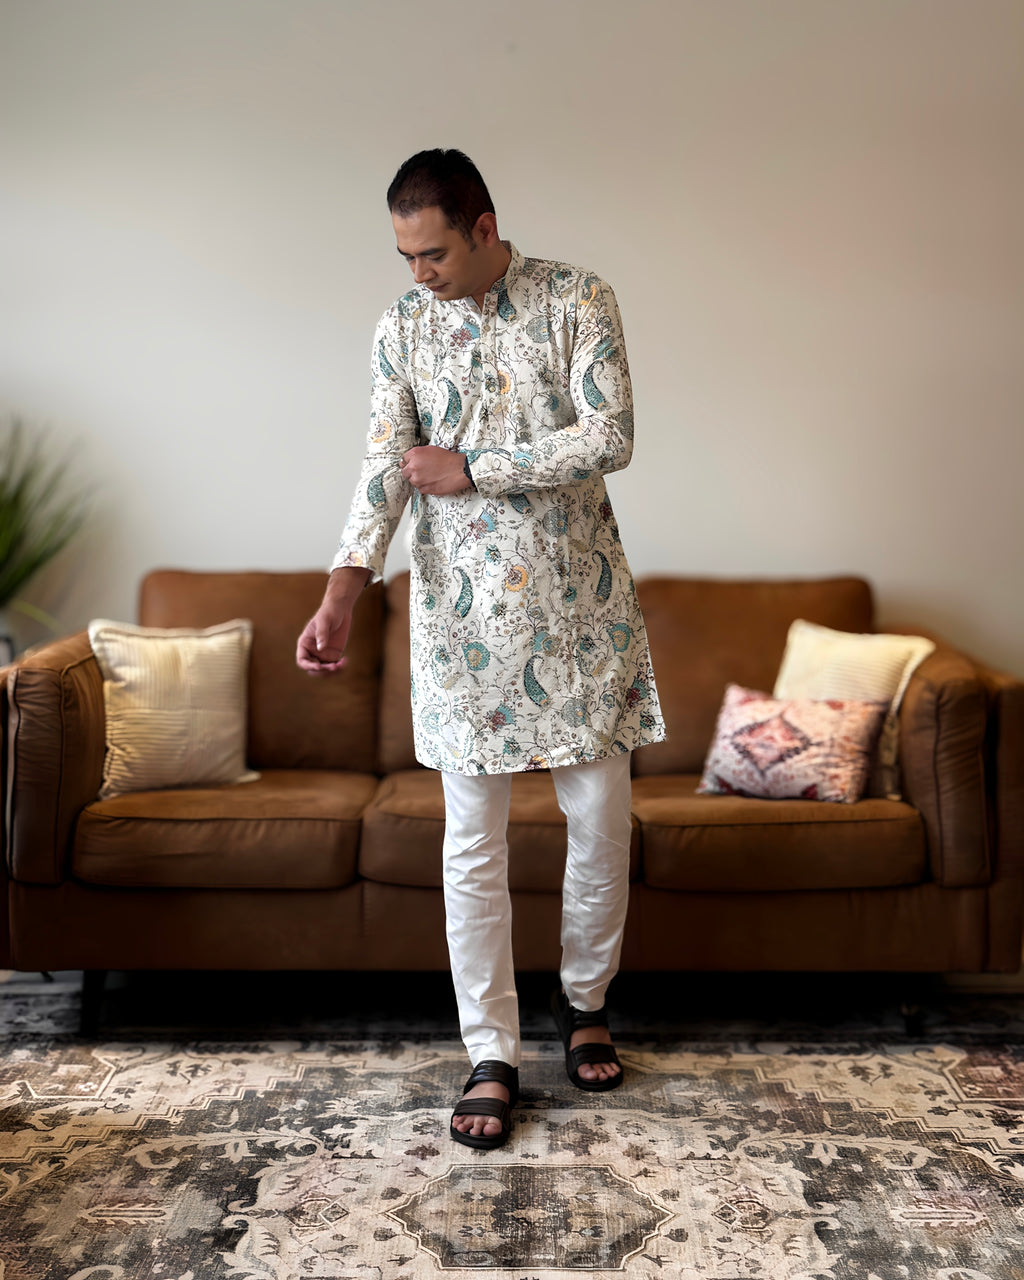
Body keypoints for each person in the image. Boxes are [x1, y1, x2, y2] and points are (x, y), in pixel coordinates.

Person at [296, 149, 665, 1150]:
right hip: (461, 625)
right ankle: (490, 1046)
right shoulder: (401, 326)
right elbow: (384, 465)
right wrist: (340, 592)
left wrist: (475, 467)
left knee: (598, 828)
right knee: (473, 844)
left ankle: (583, 1001)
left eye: (434, 251)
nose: (419, 271)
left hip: (580, 611)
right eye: (405, 254)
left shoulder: (578, 298)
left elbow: (611, 433)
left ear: (485, 226)